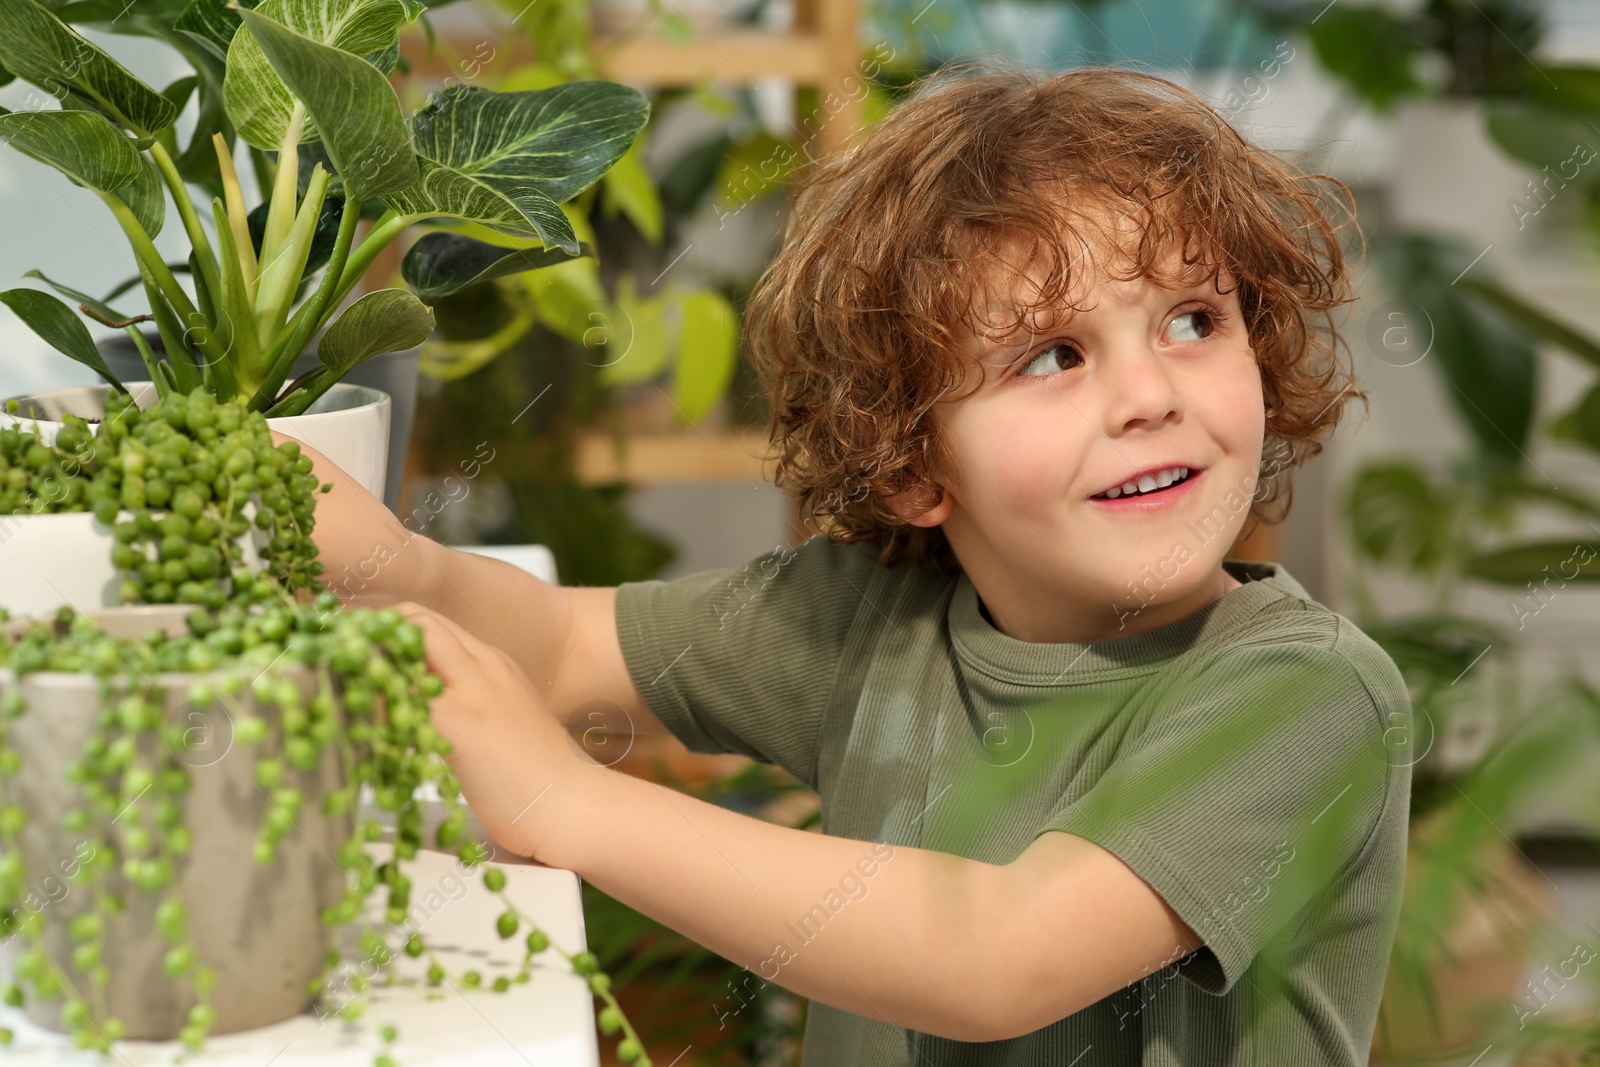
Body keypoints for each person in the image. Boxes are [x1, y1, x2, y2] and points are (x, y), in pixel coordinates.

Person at [288, 64, 1413, 1066]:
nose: (1153, 394)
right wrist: (398, 566)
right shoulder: (874, 619)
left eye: (1193, 320)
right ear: (915, 460)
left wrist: (561, 799)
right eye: (1055, 353)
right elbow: (569, 642)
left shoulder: (1304, 696)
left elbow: (999, 957)